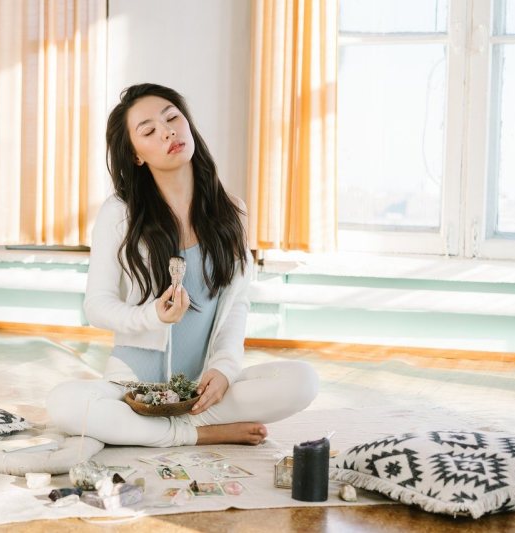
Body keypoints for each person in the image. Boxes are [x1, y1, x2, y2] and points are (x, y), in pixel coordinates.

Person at [46, 83, 318, 447]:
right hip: (134, 394)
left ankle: (161, 431)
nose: (167, 132)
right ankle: (194, 434)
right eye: (148, 131)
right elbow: (97, 306)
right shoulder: (119, 214)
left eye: (172, 117)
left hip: (201, 393)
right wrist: (153, 316)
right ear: (136, 155)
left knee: (303, 381)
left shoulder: (231, 212)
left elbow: (236, 304)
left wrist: (224, 369)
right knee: (63, 403)